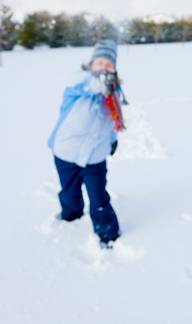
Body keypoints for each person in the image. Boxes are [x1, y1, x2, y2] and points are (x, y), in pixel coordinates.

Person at [48, 39, 126, 248]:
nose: (104, 67)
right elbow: (87, 85)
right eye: (100, 62)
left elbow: (113, 122)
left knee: (99, 196)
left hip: (95, 156)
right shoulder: (78, 82)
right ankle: (71, 216)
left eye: (109, 64)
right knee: (69, 191)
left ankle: (108, 233)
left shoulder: (113, 94)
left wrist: (112, 141)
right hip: (67, 152)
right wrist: (100, 83)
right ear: (91, 64)